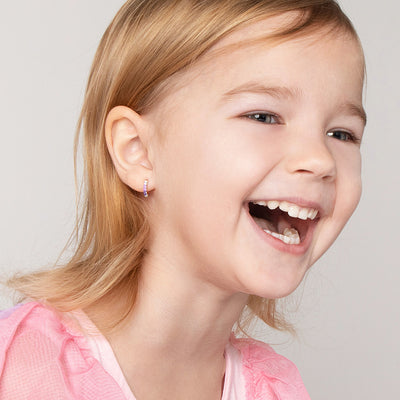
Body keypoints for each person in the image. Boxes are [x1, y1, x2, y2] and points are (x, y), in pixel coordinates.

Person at [0, 0, 367, 398]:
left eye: (342, 134)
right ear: (138, 151)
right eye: (263, 116)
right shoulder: (21, 367)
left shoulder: (277, 390)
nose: (320, 160)